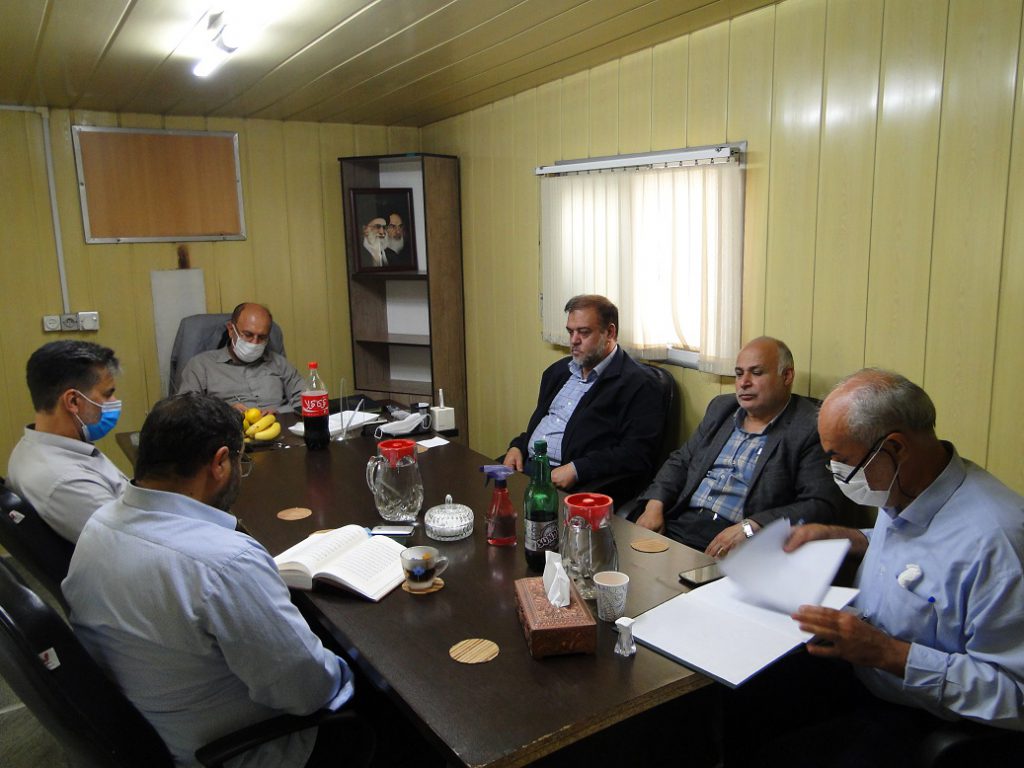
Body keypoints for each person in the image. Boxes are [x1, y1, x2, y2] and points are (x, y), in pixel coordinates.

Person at [724, 369, 1024, 765]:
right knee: (734, 705)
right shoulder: (907, 486)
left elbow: (1015, 695)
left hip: (922, 715)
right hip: (861, 671)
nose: (836, 472)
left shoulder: (997, 543)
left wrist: (889, 653)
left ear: (895, 447)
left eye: (842, 461)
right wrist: (849, 537)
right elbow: (921, 554)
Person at [63, 393, 362, 768]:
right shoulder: (225, 562)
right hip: (245, 750)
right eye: (241, 461)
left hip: (149, 727)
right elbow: (308, 692)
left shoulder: (97, 526)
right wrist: (353, 669)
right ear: (220, 463)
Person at [635, 337, 845, 556]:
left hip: (738, 544)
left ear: (787, 376)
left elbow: (819, 504)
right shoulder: (722, 408)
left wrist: (751, 527)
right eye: (738, 373)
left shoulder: (810, 426)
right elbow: (682, 460)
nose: (744, 382)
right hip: (678, 524)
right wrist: (655, 505)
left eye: (756, 373)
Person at [503, 294, 666, 500]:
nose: (574, 340)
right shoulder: (558, 372)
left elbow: (637, 453)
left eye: (584, 332)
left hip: (571, 483)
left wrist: (577, 469)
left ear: (610, 332)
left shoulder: (639, 384)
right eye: (570, 332)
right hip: (527, 467)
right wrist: (518, 446)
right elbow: (545, 424)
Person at [6, 341, 128, 543]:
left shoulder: (34, 446)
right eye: (107, 394)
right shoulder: (67, 482)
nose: (114, 401)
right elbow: (139, 546)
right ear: (73, 401)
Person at [177, 302, 303, 413]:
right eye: (248, 335)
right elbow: (185, 411)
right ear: (231, 330)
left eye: (262, 337)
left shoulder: (279, 363)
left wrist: (279, 412)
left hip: (278, 427)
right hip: (227, 429)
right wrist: (224, 412)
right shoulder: (201, 365)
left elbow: (305, 399)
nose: (254, 343)